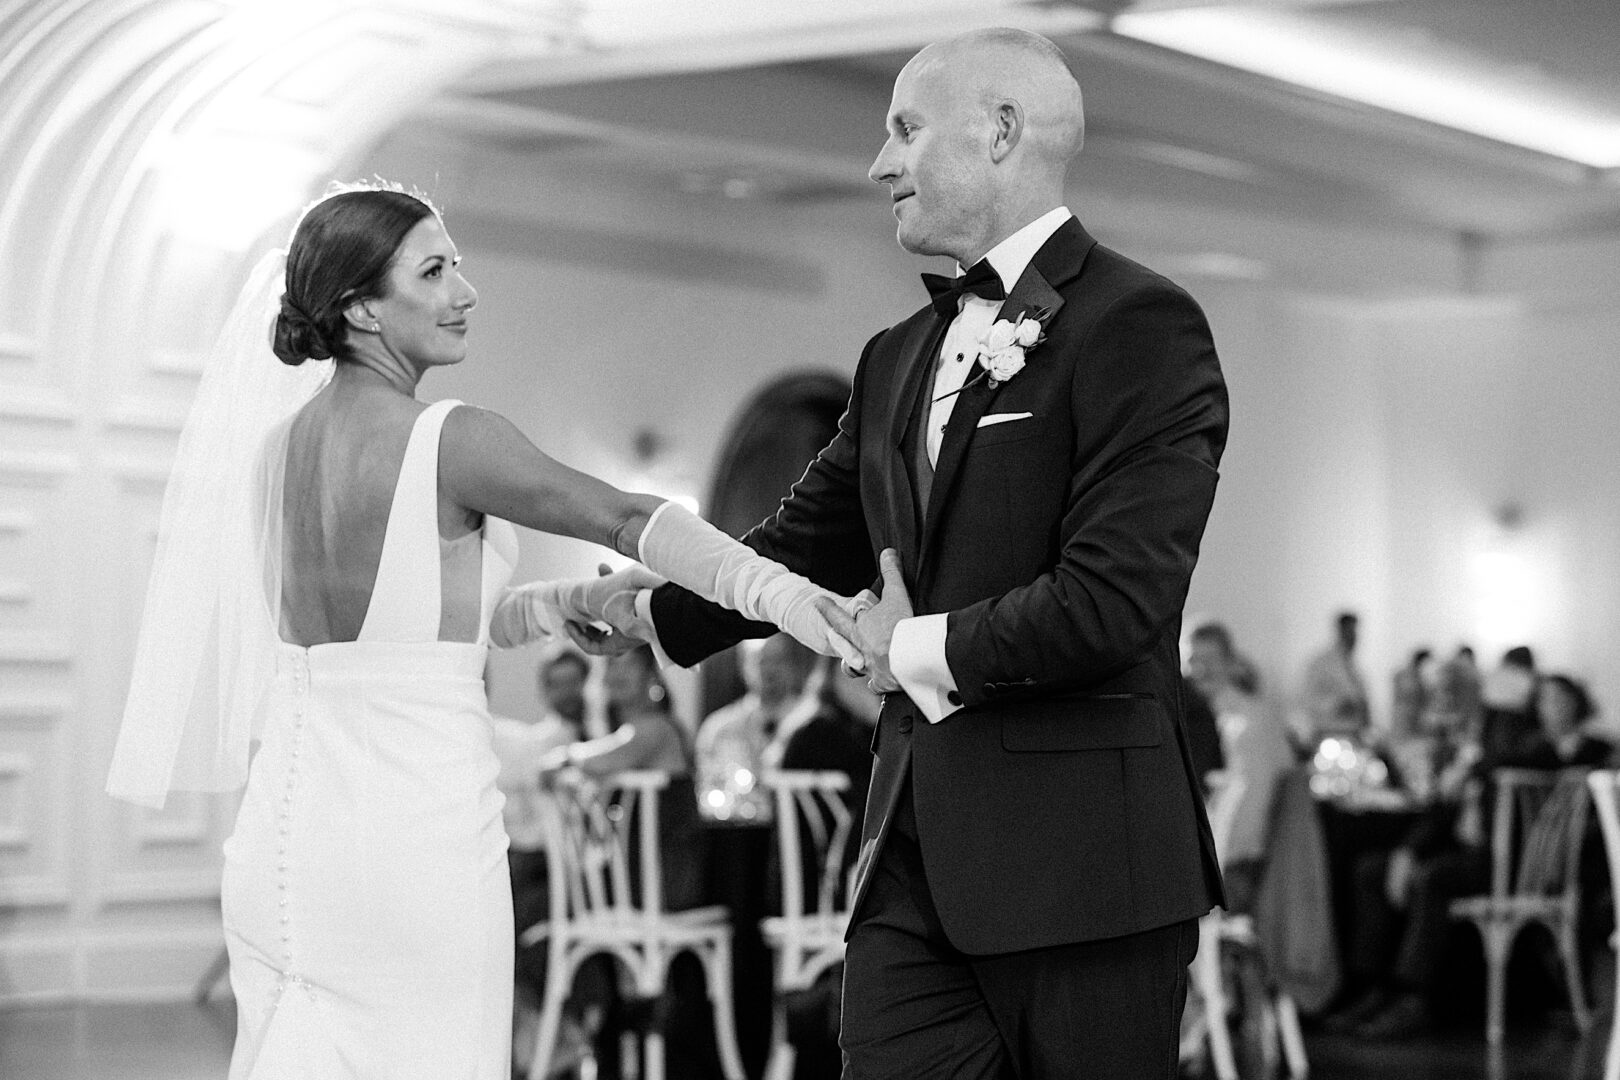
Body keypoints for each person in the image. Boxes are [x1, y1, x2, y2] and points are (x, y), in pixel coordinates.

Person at [104, 184, 863, 1078]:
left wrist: (554, 607)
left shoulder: (277, 452)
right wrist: (805, 605)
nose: (466, 291)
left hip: (283, 843)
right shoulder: (454, 438)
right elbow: (628, 518)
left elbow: (395, 641)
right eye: (433, 271)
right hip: (410, 839)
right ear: (359, 309)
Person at [612, 29, 1229, 1078]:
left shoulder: (1142, 326)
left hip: (1086, 867)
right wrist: (647, 610)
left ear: (1000, 133)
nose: (878, 163)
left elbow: (1115, 598)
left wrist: (912, 648)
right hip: (910, 859)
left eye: (904, 129)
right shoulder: (895, 355)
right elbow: (797, 544)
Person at [1333, 672, 1613, 1039]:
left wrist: (1470, 769)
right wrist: (1407, 850)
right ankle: (1369, 987)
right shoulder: (1498, 749)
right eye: (1544, 700)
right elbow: (1440, 812)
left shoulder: (1549, 752)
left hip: (1513, 863)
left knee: (1433, 876)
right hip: (1474, 850)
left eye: (1557, 699)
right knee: (1372, 869)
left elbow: (1526, 767)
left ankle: (1412, 997)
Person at [695, 633, 820, 824]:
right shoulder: (719, 728)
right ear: (743, 665)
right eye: (761, 660)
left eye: (778, 660)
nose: (770, 670)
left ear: (793, 665)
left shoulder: (813, 724)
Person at [1300, 611, 1370, 743]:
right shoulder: (1321, 663)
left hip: (1354, 734)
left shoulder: (1353, 667)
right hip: (1329, 734)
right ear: (1340, 631)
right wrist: (1338, 704)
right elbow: (1309, 698)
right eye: (1349, 631)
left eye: (1354, 632)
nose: (1353, 636)